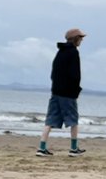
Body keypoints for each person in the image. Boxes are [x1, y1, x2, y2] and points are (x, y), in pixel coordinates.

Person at [37, 28, 87, 157]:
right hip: (68, 93)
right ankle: (74, 148)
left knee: (50, 120)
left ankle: (41, 147)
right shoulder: (73, 53)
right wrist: (76, 90)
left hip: (56, 91)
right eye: (80, 38)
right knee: (73, 120)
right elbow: (75, 75)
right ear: (75, 39)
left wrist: (55, 87)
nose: (81, 40)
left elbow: (54, 73)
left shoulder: (60, 52)